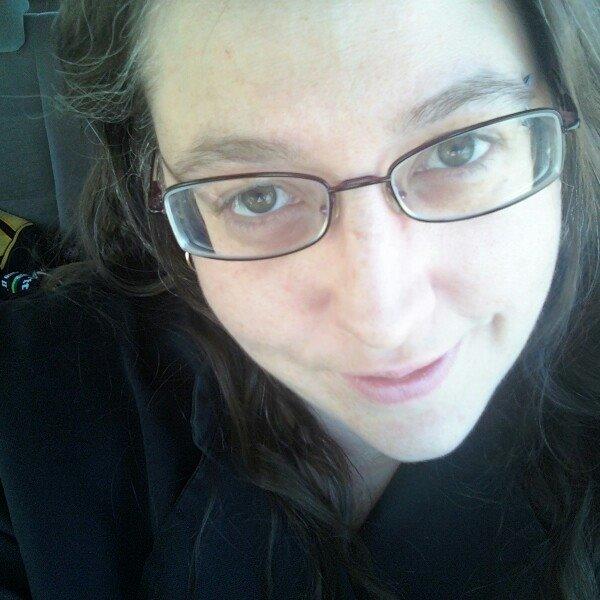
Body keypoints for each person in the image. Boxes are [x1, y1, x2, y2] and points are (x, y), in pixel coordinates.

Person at [0, 0, 598, 598]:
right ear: (159, 187)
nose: (382, 323)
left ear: (564, 117)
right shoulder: (37, 399)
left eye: (458, 150)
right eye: (258, 196)